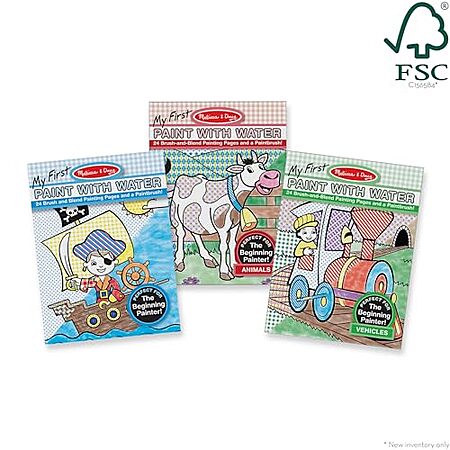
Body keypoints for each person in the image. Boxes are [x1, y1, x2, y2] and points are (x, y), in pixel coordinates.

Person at [71, 229, 126, 305]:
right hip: (98, 303)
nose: (100, 266)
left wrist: (114, 296)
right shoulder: (95, 280)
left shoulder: (111, 280)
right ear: (86, 265)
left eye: (106, 261)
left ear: (114, 262)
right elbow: (87, 283)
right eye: (94, 263)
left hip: (112, 302)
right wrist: (78, 281)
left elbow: (117, 290)